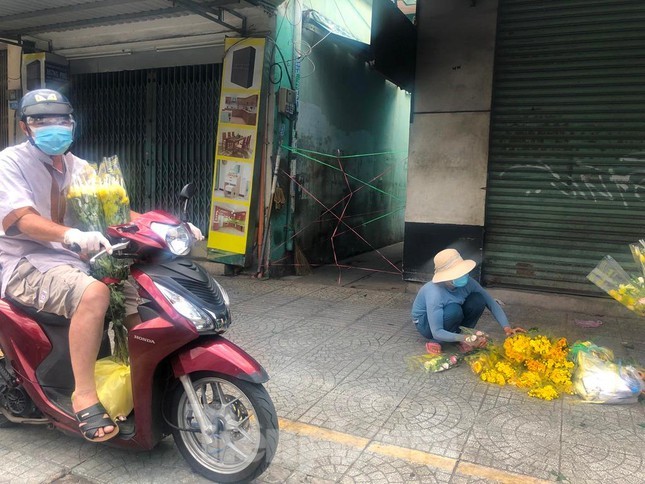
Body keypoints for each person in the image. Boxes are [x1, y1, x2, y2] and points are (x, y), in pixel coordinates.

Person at [0, 89, 203, 442]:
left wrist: (170, 227)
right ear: (25, 126)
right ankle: (84, 395)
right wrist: (70, 235)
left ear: (72, 123)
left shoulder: (81, 169)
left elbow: (118, 213)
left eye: (60, 119)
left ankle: (137, 373)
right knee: (94, 293)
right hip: (23, 262)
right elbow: (22, 220)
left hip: (74, 259)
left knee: (131, 285)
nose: (53, 127)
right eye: (41, 120)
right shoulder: (9, 163)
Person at [411, 248, 525, 355]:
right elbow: (436, 331)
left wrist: (507, 328)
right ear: (446, 278)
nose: (463, 276)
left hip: (451, 316)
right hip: (427, 325)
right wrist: (467, 338)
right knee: (453, 310)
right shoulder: (434, 292)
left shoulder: (469, 283)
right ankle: (436, 342)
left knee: (478, 299)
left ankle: (461, 335)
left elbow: (490, 302)